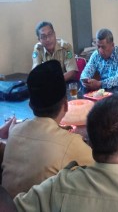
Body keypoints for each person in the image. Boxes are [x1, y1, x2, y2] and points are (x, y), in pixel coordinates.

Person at [2, 60, 94, 198]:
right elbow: (102, 169)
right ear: (66, 105)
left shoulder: (14, 132)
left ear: (30, 106)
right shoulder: (71, 143)